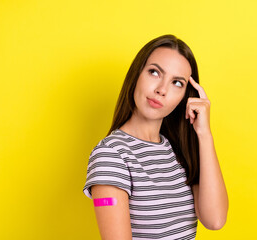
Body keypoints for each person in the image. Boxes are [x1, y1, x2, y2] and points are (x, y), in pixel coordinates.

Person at [83, 34, 229, 240]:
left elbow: (215, 220)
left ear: (186, 97)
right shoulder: (111, 155)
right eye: (154, 72)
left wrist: (204, 134)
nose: (161, 90)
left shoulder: (179, 151)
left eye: (177, 83)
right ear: (136, 75)